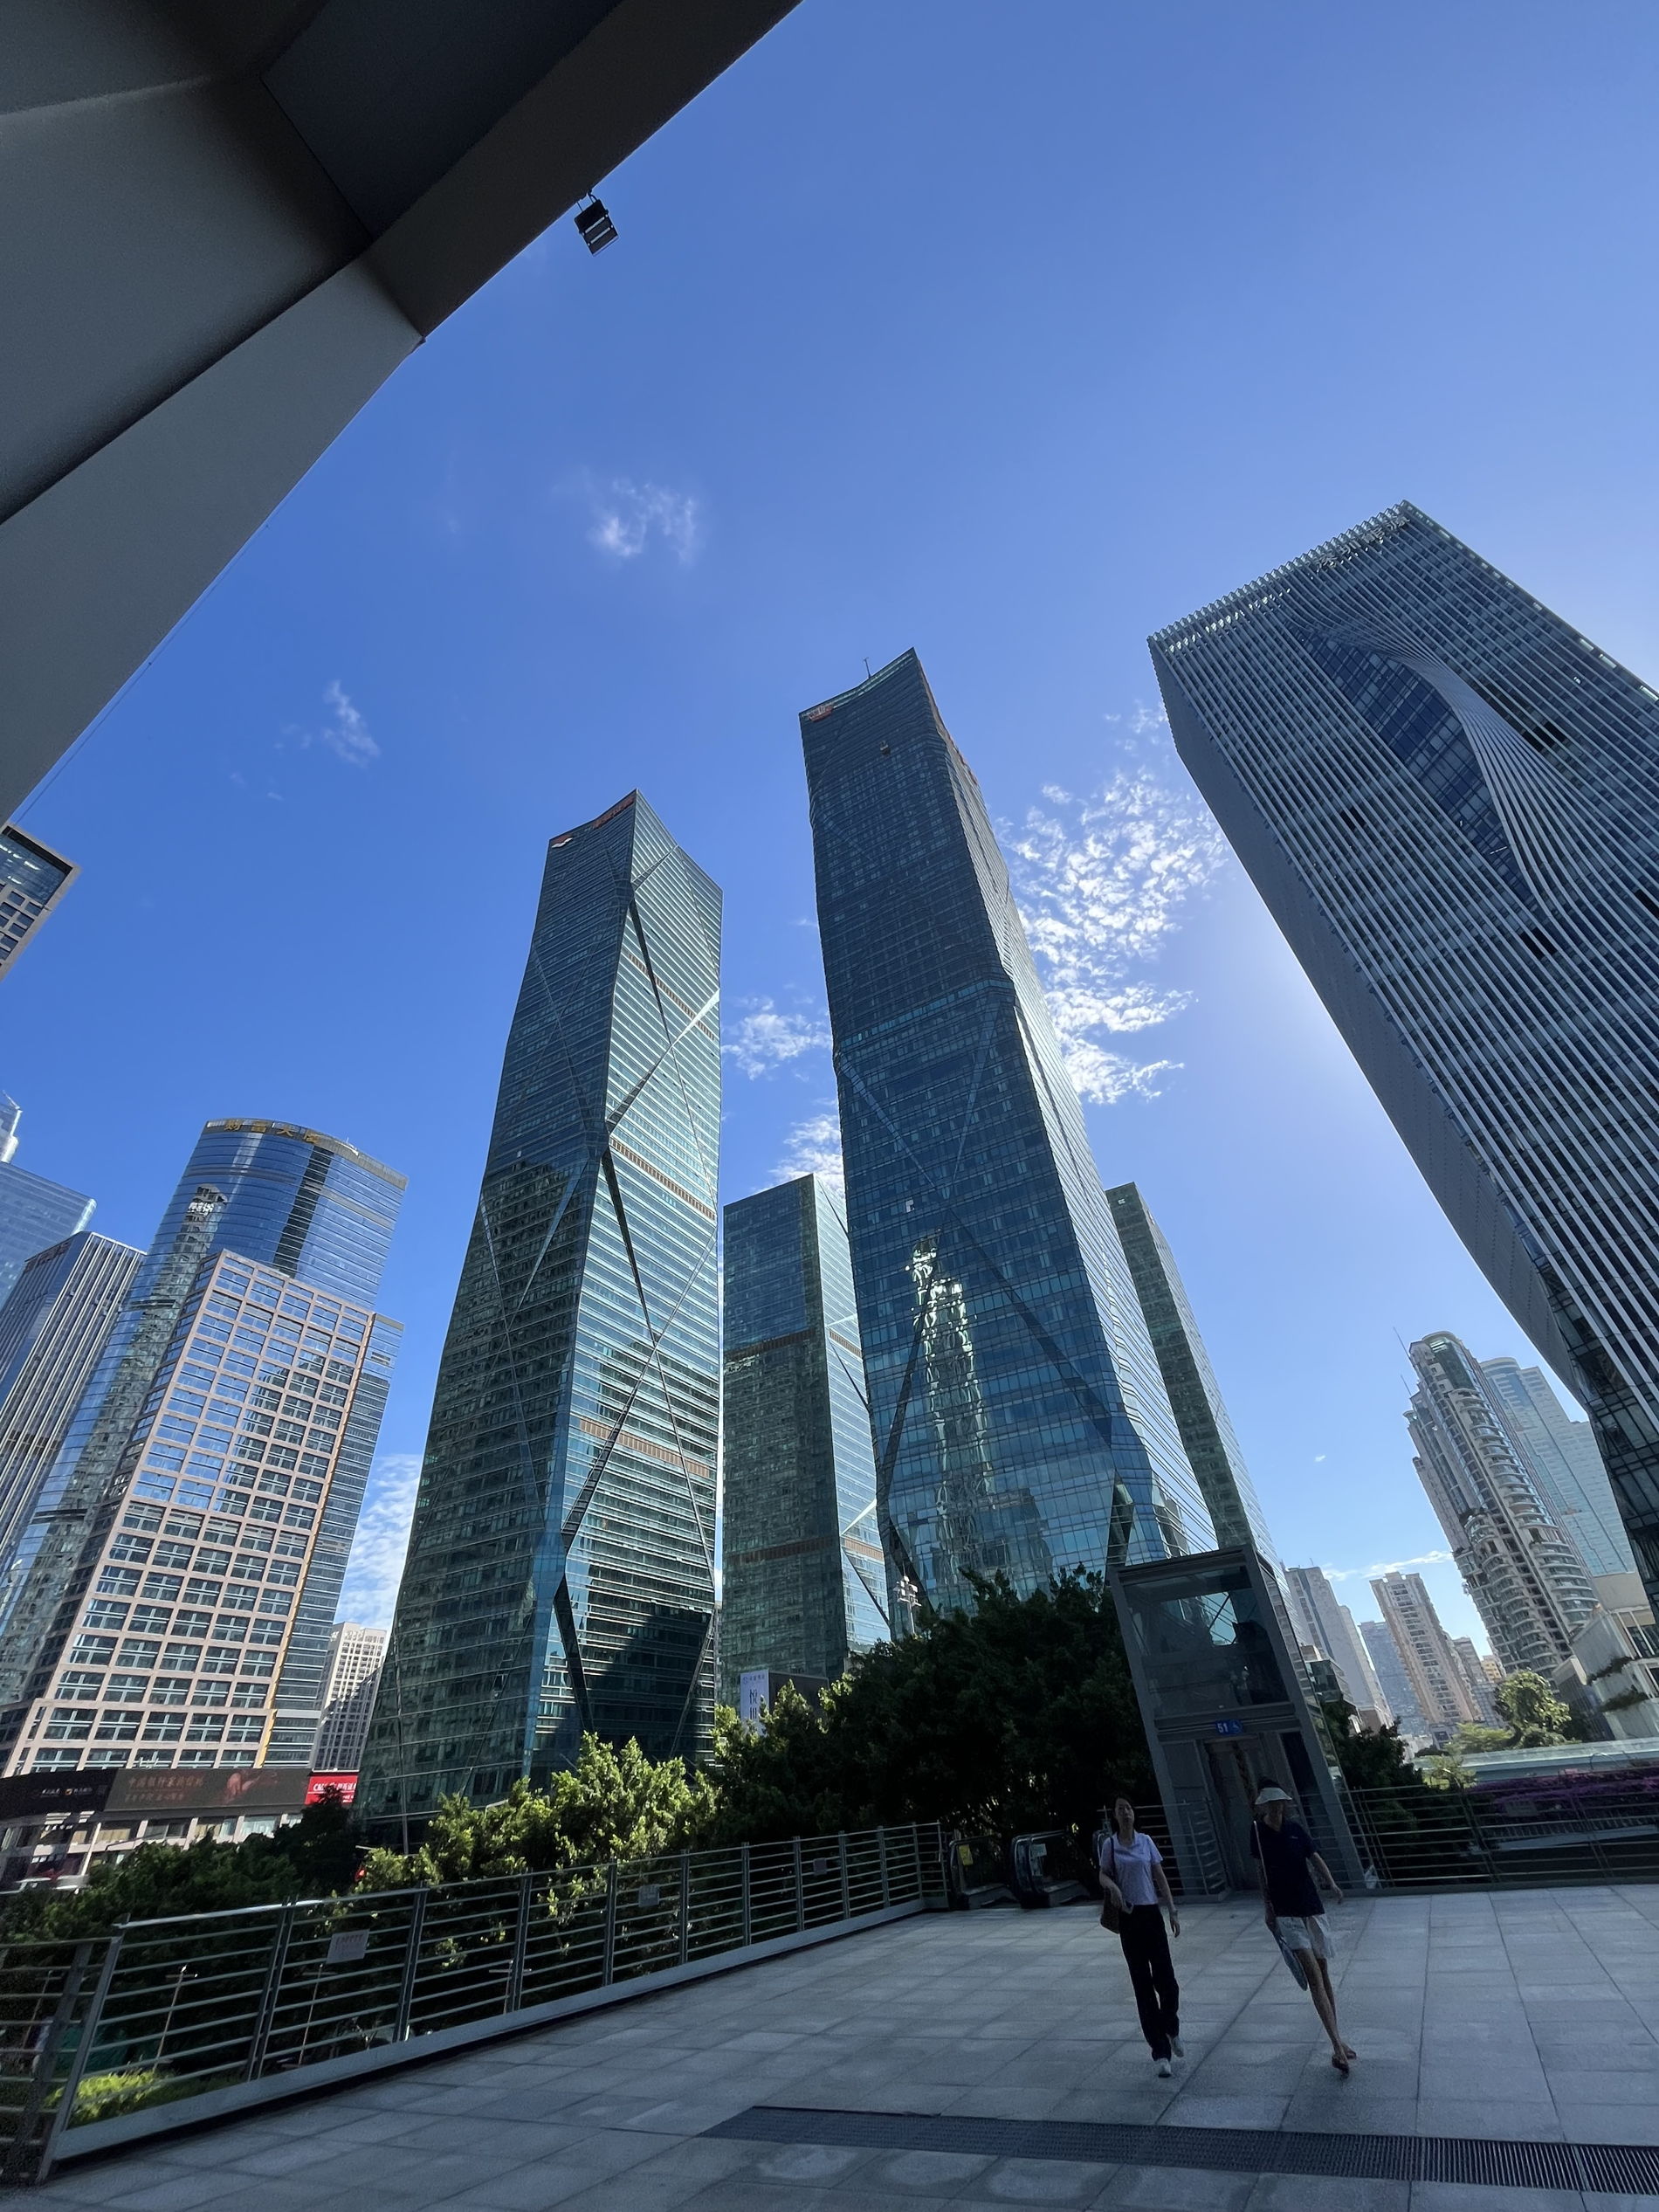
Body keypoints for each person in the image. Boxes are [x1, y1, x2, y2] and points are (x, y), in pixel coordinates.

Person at [1250, 1783, 1355, 2073]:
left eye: (1280, 1803)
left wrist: (1331, 1883)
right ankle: (1336, 2046)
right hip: (1286, 1910)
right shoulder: (1257, 1833)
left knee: (1323, 1973)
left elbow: (1314, 1856)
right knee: (1313, 1974)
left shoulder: (1295, 1829)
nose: (1277, 1808)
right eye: (1272, 1804)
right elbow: (1261, 1872)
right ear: (1264, 1806)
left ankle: (1337, 2037)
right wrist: (1267, 1907)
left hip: (1310, 1904)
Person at [1098, 1795, 1182, 2078]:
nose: (1125, 1813)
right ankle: (1160, 2052)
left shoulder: (1145, 1842)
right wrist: (1113, 1887)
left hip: (1151, 1915)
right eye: (1120, 1809)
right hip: (1129, 1917)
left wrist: (1172, 1910)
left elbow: (1159, 1876)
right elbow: (1102, 1874)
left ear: (1134, 1814)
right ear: (1115, 1815)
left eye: (1128, 1808)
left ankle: (1171, 2027)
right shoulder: (1110, 1845)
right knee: (1142, 1985)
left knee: (1166, 1981)